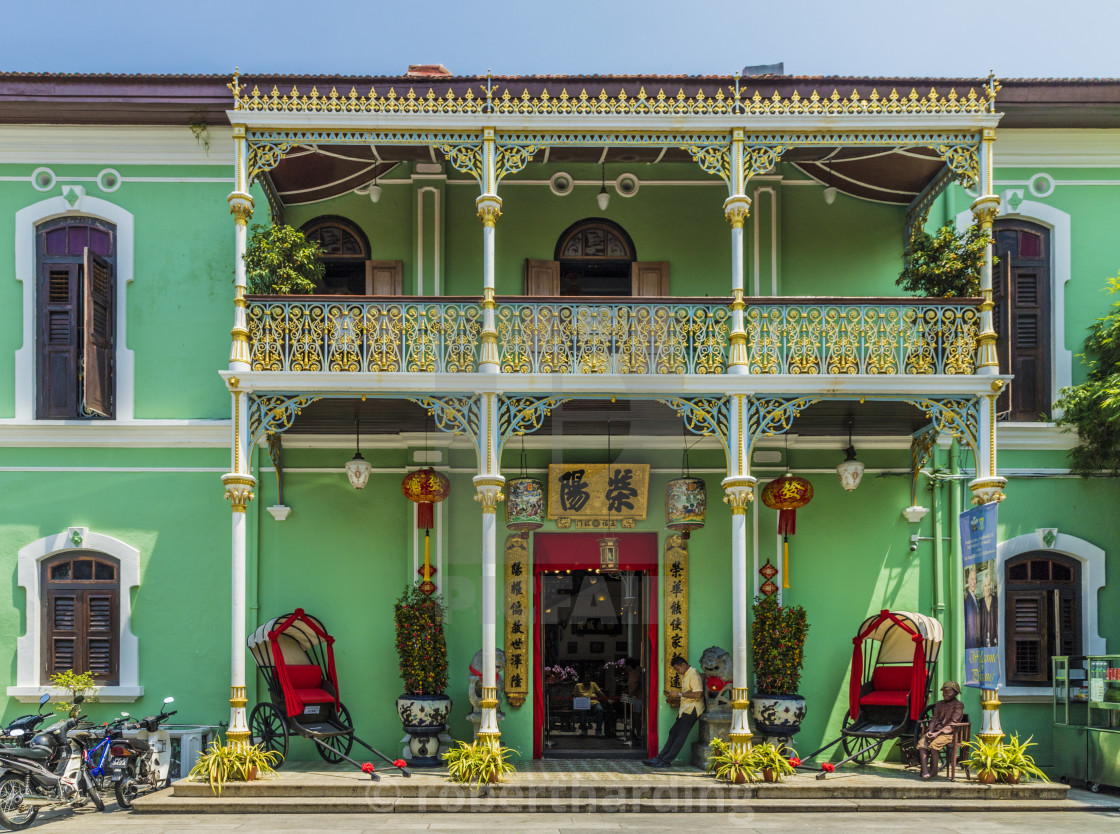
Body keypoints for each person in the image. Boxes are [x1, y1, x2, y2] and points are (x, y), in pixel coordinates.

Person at [643, 655, 705, 767]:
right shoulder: (685, 675)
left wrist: (679, 694)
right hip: (685, 709)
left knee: (680, 735)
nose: (677, 672)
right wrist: (674, 696)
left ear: (683, 664)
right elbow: (689, 693)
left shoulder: (693, 674)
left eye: (678, 669)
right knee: (673, 732)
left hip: (692, 709)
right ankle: (660, 758)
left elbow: (698, 694)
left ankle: (666, 761)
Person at [917, 681, 965, 779]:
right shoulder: (939, 704)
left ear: (955, 693)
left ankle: (934, 770)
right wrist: (930, 730)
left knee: (935, 745)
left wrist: (938, 733)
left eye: (948, 693)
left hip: (949, 734)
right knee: (922, 743)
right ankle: (925, 770)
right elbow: (934, 718)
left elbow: (953, 723)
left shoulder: (958, 705)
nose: (945, 695)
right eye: (944, 692)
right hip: (935, 731)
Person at [573, 672, 605, 736]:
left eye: (589, 678)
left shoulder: (593, 684)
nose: (588, 680)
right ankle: (584, 730)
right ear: (583, 679)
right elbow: (574, 695)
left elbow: (600, 693)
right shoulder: (578, 686)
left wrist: (606, 698)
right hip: (583, 704)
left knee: (600, 710)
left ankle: (598, 730)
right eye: (586, 678)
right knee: (582, 712)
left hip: (594, 703)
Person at [980, 570, 999, 647]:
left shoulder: (996, 600)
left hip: (995, 639)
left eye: (988, 585)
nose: (987, 588)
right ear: (982, 588)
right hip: (983, 641)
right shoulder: (980, 603)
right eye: (985, 585)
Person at [963, 566, 980, 649]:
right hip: (970, 644)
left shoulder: (977, 599)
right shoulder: (966, 600)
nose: (974, 582)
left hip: (978, 642)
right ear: (968, 581)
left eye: (975, 579)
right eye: (972, 579)